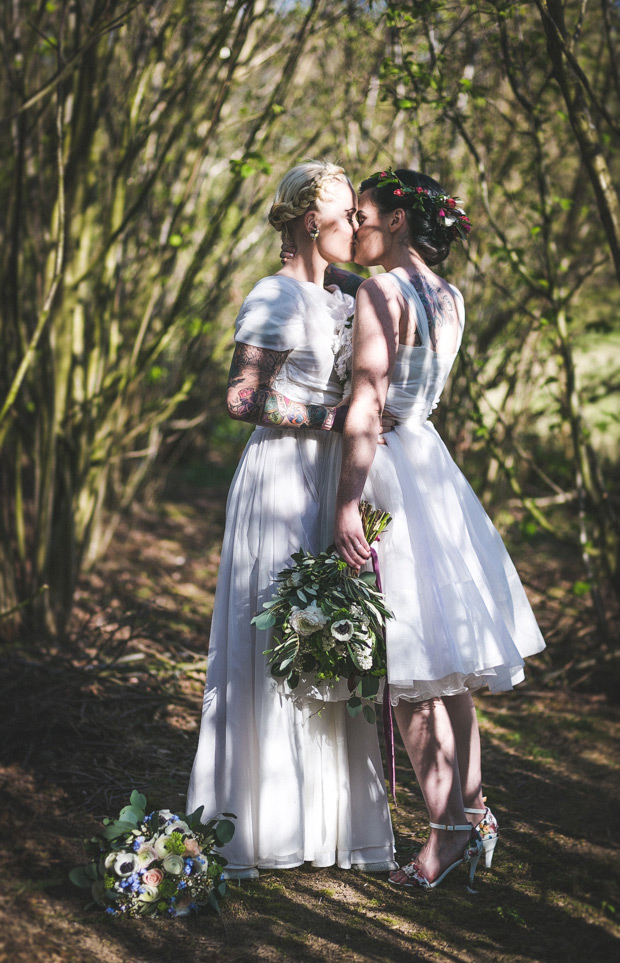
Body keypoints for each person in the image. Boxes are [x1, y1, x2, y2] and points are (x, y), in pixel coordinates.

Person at [333, 168, 546, 890]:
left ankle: (447, 829)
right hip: (433, 466)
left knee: (413, 665)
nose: (356, 226)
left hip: (392, 468)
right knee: (446, 662)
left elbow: (367, 401)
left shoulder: (381, 292)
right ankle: (475, 810)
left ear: (396, 219)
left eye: (362, 214)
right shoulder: (447, 296)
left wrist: (345, 502)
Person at [186, 161, 397, 878]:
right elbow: (242, 399)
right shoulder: (276, 297)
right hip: (279, 476)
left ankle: (324, 822)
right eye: (347, 218)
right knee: (276, 634)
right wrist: (331, 418)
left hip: (327, 481)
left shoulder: (342, 295)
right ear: (312, 221)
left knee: (329, 636)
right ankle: (263, 818)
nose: (357, 228)